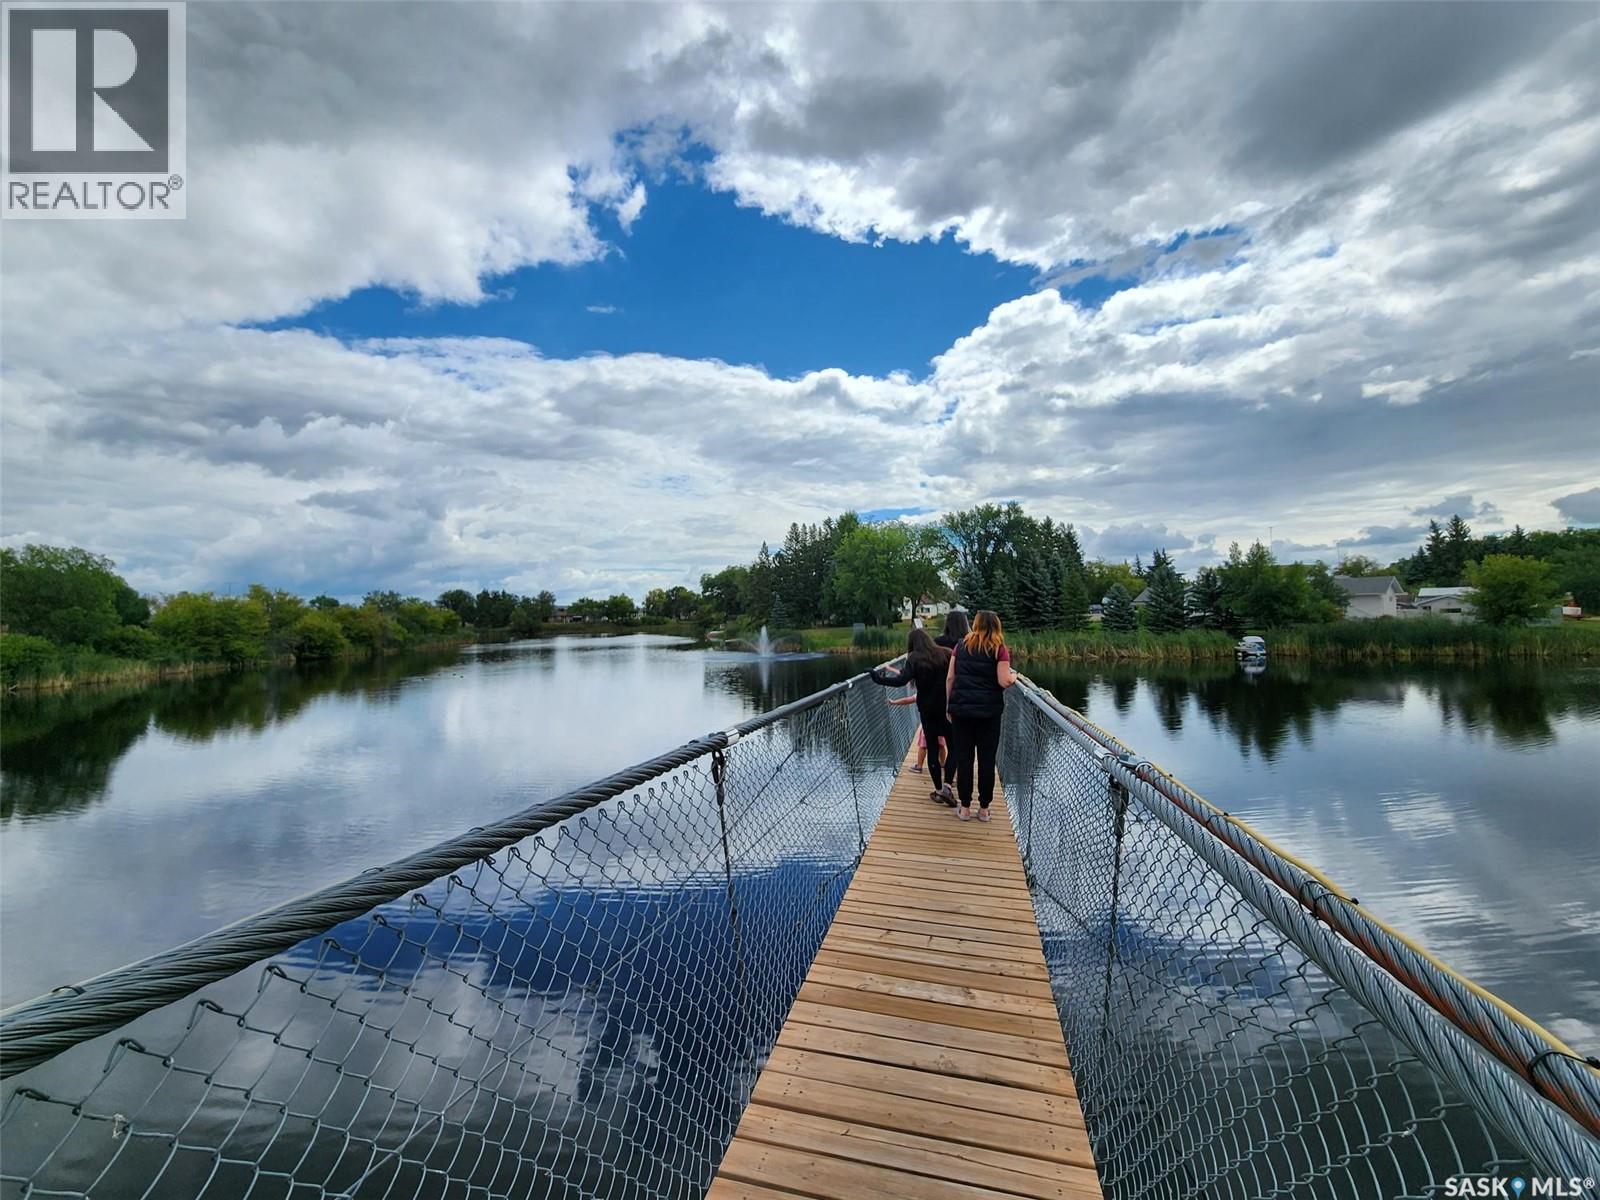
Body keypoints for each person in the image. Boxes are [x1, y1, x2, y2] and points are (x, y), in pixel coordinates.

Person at [944, 609, 1019, 822]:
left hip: (961, 712)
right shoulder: (999, 649)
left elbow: (950, 678)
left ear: (976, 624)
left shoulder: (960, 646)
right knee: (987, 761)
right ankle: (984, 809)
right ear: (996, 626)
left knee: (964, 759)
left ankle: (965, 808)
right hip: (989, 714)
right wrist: (1014, 676)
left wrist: (949, 705)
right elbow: (1003, 680)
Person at [870, 627, 955, 804]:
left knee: (932, 748)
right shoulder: (946, 654)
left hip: (927, 709)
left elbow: (901, 680)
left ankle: (938, 790)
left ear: (912, 644)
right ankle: (948, 785)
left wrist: (878, 679)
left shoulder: (914, 659)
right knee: (953, 746)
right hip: (947, 707)